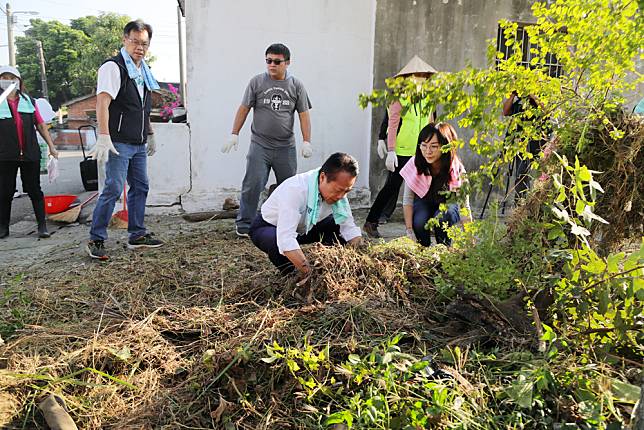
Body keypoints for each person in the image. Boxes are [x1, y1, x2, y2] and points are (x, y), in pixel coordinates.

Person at [86, 20, 162, 261]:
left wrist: (149, 133)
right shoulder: (113, 67)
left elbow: (142, 108)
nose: (140, 47)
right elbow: (103, 103)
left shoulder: (143, 71)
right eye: (135, 42)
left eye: (145, 43)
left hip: (138, 142)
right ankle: (96, 238)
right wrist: (104, 136)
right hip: (118, 142)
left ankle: (137, 234)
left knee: (141, 187)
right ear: (124, 40)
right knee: (113, 188)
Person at [222, 43, 313, 238]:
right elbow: (244, 108)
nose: (272, 65)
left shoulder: (296, 86)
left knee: (288, 188)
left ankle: (284, 223)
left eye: (277, 61)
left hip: (285, 147)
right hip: (260, 145)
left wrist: (307, 141)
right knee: (253, 184)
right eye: (268, 61)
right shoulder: (257, 82)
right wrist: (234, 133)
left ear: (287, 63)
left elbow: (304, 114)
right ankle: (245, 223)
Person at [249, 152, 363, 281]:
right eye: (338, 190)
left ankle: (330, 266)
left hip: (306, 228)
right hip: (269, 227)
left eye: (346, 191)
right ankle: (293, 277)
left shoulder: (340, 193)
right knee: (276, 242)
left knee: (337, 226)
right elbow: (285, 239)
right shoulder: (295, 190)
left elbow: (348, 228)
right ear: (322, 178)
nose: (341, 196)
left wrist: (358, 260)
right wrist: (311, 275)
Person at [363, 55, 437, 238]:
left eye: (423, 76)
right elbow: (392, 124)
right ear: (407, 77)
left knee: (427, 187)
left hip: (421, 150)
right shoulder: (398, 98)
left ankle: (427, 224)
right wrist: (391, 150)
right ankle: (371, 221)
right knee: (392, 186)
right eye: (417, 75)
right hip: (402, 151)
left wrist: (433, 147)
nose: (420, 79)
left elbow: (431, 123)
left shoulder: (428, 98)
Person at [0, 65, 58, 239]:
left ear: (19, 81)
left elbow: (40, 125)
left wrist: (51, 146)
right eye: (4, 77)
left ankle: (42, 225)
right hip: (5, 155)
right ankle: (3, 227)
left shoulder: (29, 102)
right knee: (5, 191)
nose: (8, 80)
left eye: (12, 77)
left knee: (34, 190)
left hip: (30, 153)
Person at [400, 123, 470, 247]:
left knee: (442, 217)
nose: (428, 151)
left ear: (445, 147)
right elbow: (408, 199)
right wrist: (409, 231)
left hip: (447, 205)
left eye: (434, 146)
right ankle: (422, 250)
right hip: (423, 202)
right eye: (424, 146)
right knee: (420, 221)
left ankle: (444, 251)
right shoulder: (415, 163)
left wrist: (470, 238)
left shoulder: (456, 168)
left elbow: (464, 205)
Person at [502, 91, 548, 201]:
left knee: (540, 175)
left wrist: (531, 93)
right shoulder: (520, 103)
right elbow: (505, 111)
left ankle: (537, 202)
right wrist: (512, 95)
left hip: (539, 143)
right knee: (521, 174)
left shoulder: (542, 96)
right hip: (522, 144)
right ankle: (519, 204)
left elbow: (545, 110)